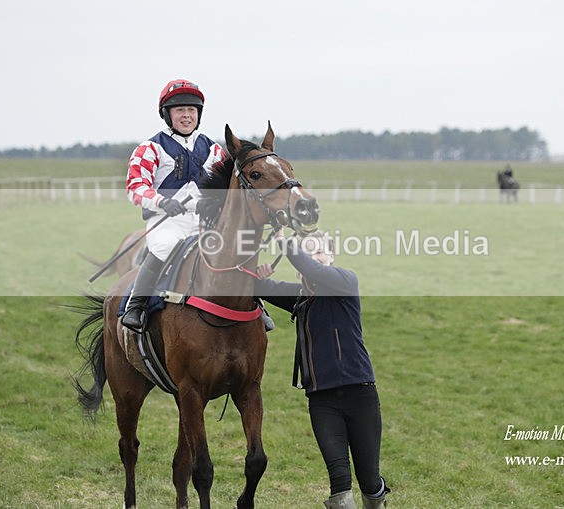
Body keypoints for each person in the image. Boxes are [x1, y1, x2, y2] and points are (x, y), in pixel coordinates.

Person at [255, 231, 390, 509]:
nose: (314, 257)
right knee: (340, 485)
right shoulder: (300, 298)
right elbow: (256, 288)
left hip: (360, 394)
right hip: (322, 401)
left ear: (331, 257)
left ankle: (378, 497)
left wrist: (284, 241)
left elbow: (309, 268)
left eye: (319, 252)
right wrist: (258, 277)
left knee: (369, 481)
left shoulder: (345, 282)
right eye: (309, 251)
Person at [122, 79, 231, 331]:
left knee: (231, 251)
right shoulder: (150, 148)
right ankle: (136, 306)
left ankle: (254, 303)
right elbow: (135, 187)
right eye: (180, 110)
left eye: (191, 110)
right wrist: (162, 202)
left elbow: (227, 188)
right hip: (168, 221)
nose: (186, 116)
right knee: (165, 245)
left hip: (204, 222)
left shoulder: (214, 150)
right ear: (167, 114)